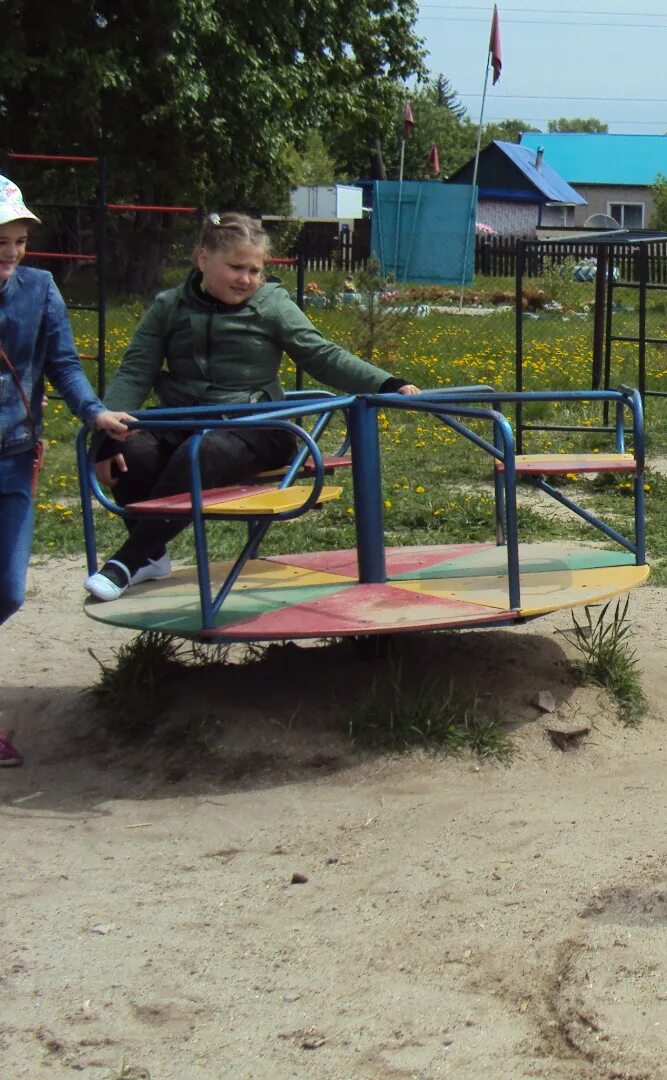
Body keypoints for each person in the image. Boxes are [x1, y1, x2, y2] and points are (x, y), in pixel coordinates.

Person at [84, 213, 420, 602]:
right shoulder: (169, 306)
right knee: (133, 454)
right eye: (235, 267)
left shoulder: (271, 304)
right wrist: (107, 432)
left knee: (202, 452)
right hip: (184, 421)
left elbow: (320, 354)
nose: (246, 278)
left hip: (257, 426)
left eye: (255, 270)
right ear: (203, 260)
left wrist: (386, 383)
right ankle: (152, 553)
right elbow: (136, 370)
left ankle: (127, 560)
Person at [0, 174, 135, 765]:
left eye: (18, 241)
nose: (10, 253)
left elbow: (62, 365)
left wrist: (95, 412)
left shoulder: (39, 289)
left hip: (13, 455)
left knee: (6, 589)